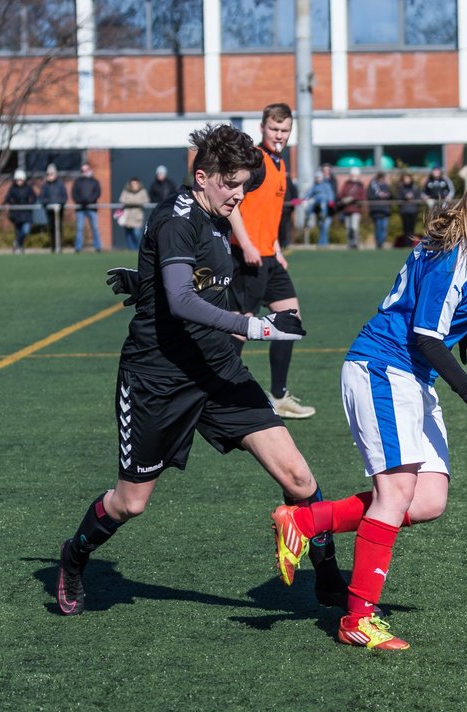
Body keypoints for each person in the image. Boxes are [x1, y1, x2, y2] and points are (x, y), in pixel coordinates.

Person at [54, 123, 338, 618]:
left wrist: (151, 285)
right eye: (229, 183)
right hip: (157, 378)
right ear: (201, 176)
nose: (238, 193)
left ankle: (331, 581)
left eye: (245, 183)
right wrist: (252, 326)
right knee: (130, 504)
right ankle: (74, 554)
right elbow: (183, 300)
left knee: (297, 475)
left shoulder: (219, 219)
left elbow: (203, 288)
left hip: (217, 369)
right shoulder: (175, 219)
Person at [268, 167, 467, 650]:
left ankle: (305, 522)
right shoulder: (458, 252)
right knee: (394, 494)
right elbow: (423, 335)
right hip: (383, 368)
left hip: (411, 376)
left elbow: (432, 306)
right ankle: (358, 619)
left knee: (428, 499)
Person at [226, 102, 318, 421]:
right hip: (247, 256)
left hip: (268, 255)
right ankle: (219, 393)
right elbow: (232, 204)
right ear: (262, 128)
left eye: (284, 130)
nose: (279, 135)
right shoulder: (254, 161)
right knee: (240, 326)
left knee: (290, 320)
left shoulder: (280, 163)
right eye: (273, 129)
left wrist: (276, 246)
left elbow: (269, 211)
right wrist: (248, 245)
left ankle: (278, 396)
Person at [71, 162, 103, 253]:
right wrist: (81, 201)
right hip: (80, 208)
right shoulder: (77, 182)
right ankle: (78, 248)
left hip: (92, 208)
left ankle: (98, 247)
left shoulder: (94, 181)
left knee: (95, 228)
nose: (84, 171)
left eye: (86, 169)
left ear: (90, 170)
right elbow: (74, 194)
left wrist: (89, 201)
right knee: (79, 228)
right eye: (83, 170)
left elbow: (97, 193)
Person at [39, 163, 68, 252]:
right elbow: (42, 197)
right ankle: (53, 247)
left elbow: (64, 196)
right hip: (49, 210)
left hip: (59, 210)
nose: (50, 176)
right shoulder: (45, 185)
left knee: (59, 228)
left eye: (52, 174)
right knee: (51, 228)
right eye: (48, 174)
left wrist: (59, 204)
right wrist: (48, 204)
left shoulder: (60, 184)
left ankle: (60, 247)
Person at [5, 169, 36, 253]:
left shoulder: (28, 188)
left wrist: (29, 204)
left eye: (20, 179)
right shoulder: (12, 189)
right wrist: (11, 204)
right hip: (16, 214)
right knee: (18, 232)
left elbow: (34, 198)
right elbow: (7, 199)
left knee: (26, 230)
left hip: (26, 213)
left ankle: (17, 243)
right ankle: (20, 247)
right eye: (17, 179)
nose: (19, 181)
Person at [303, 170, 335, 245]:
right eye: (316, 177)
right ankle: (308, 215)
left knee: (323, 225)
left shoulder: (326, 185)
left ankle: (323, 242)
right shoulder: (314, 186)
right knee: (312, 202)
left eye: (319, 177)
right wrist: (304, 199)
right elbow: (308, 193)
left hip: (325, 206)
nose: (317, 179)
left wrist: (331, 201)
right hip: (317, 205)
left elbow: (330, 194)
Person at [117, 176, 149, 250]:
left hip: (137, 215)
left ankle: (137, 248)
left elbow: (145, 200)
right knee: (128, 233)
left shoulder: (142, 191)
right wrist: (135, 202)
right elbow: (122, 200)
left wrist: (131, 202)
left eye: (136, 183)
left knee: (136, 233)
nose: (134, 185)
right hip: (128, 215)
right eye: (132, 183)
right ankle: (131, 249)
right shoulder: (126, 191)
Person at [337, 167, 366, 249]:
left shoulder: (360, 185)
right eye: (352, 175)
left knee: (354, 227)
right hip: (346, 209)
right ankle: (349, 243)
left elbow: (362, 197)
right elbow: (341, 194)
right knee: (348, 228)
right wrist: (343, 199)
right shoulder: (346, 184)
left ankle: (355, 243)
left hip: (356, 209)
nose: (354, 176)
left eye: (355, 175)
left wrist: (353, 198)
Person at [367, 171, 393, 249]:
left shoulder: (386, 186)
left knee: (384, 227)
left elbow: (391, 195)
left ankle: (382, 242)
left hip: (385, 210)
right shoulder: (373, 185)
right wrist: (378, 195)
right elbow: (369, 195)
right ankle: (378, 243)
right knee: (378, 227)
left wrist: (387, 195)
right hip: (376, 210)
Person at [396, 171, 421, 242]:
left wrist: (413, 198)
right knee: (406, 228)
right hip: (404, 210)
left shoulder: (415, 188)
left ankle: (411, 242)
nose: (407, 180)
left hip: (413, 210)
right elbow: (398, 198)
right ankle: (406, 242)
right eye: (405, 179)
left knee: (412, 228)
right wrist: (405, 197)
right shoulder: (401, 188)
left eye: (408, 178)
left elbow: (418, 197)